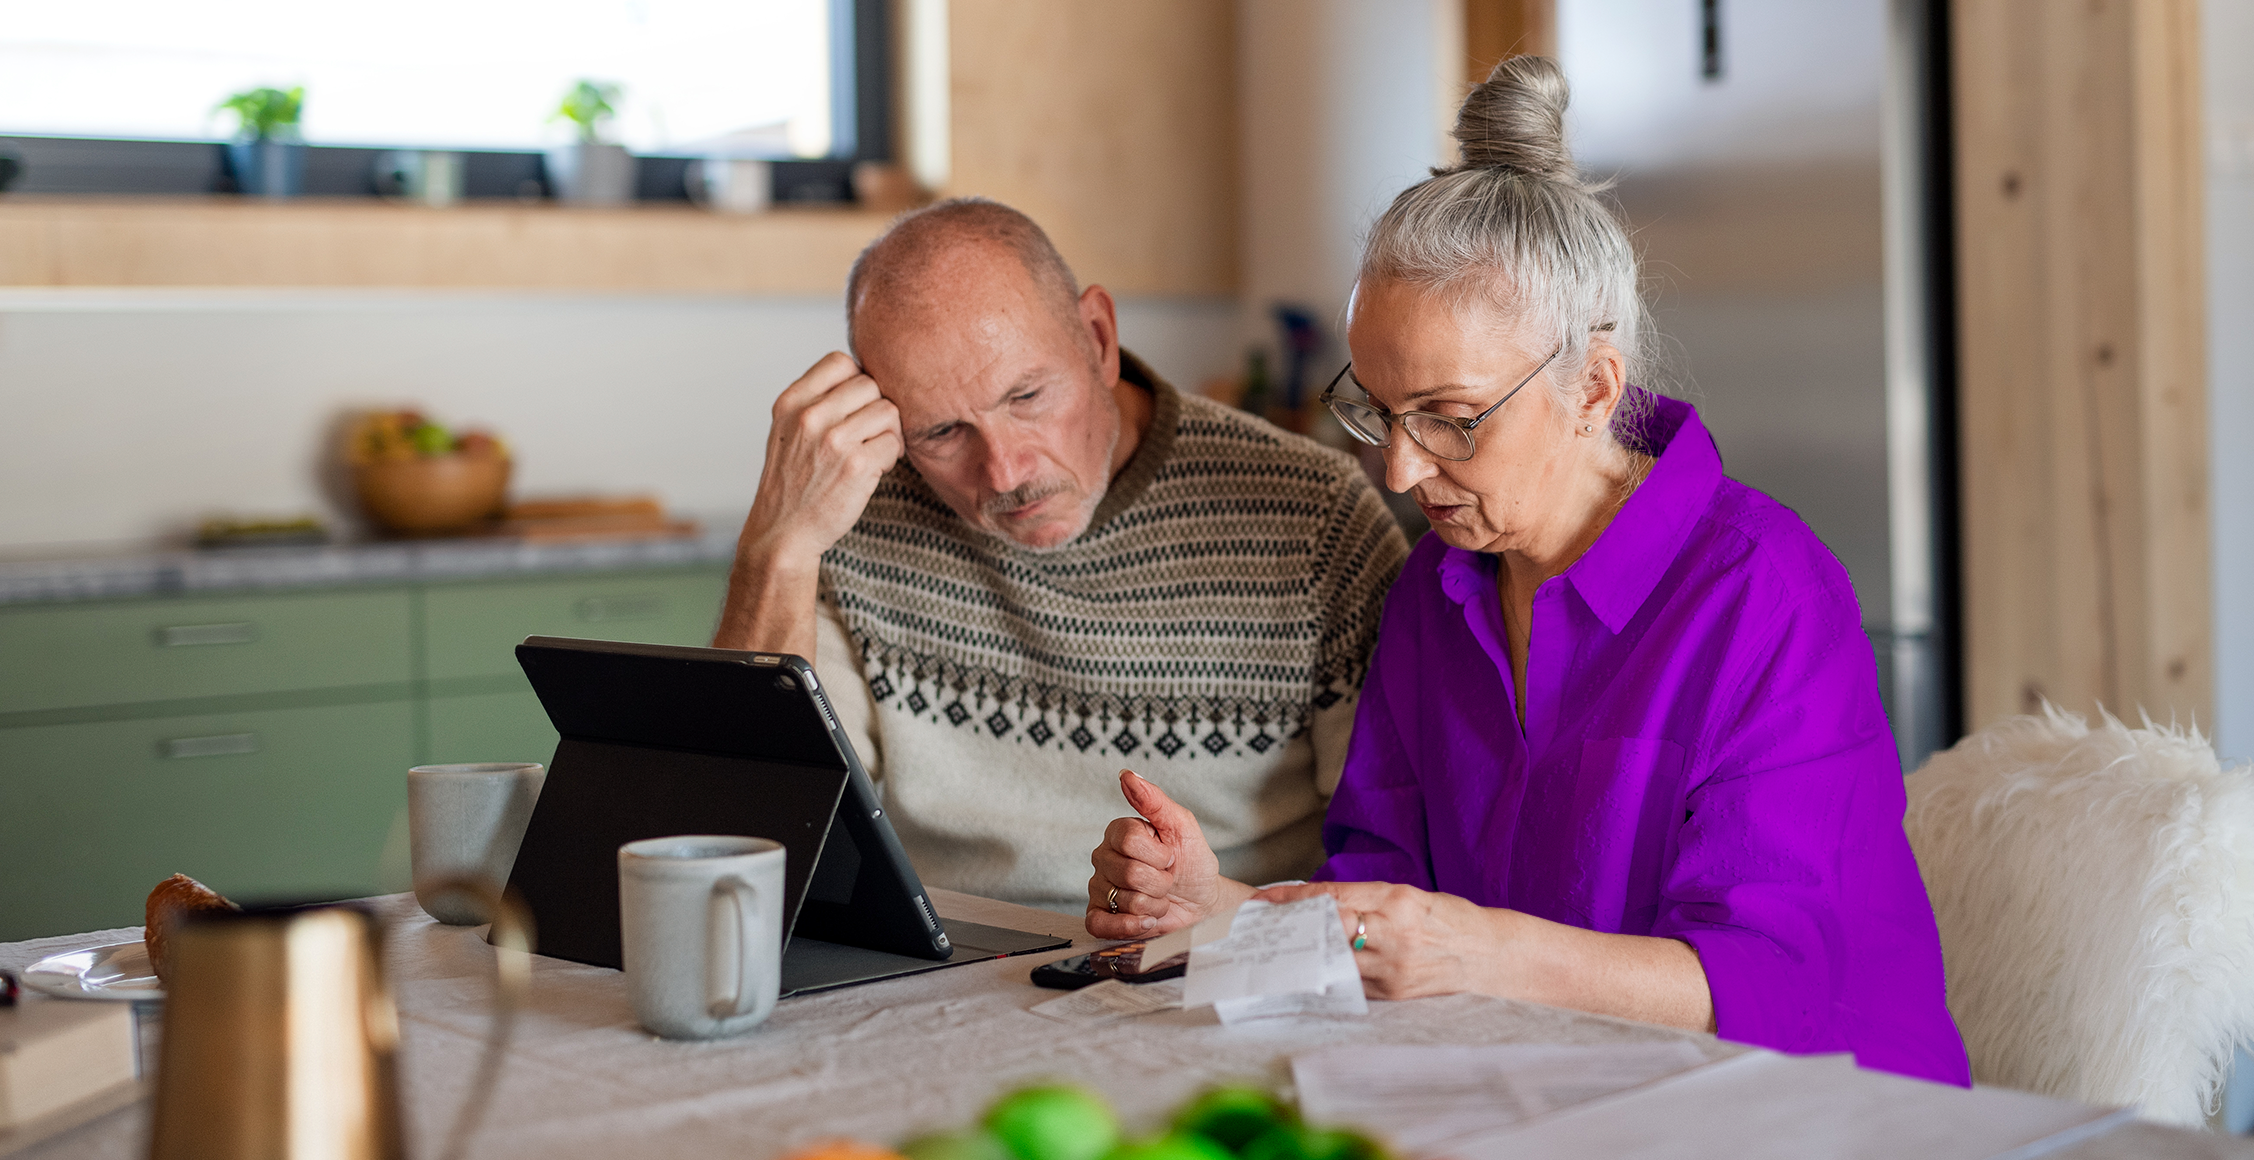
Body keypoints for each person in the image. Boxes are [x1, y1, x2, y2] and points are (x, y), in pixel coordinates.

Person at [1085, 57, 1970, 1085]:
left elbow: (1772, 978)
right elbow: (1384, 907)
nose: (1402, 468)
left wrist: (1482, 952)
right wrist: (1220, 909)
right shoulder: (1437, 585)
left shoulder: (1762, 594)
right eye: (1375, 407)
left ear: (1592, 387)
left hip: (1815, 1111)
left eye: (1452, 419)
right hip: (1545, 1087)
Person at [714, 198, 1407, 911]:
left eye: (1027, 396)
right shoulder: (854, 511)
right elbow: (752, 839)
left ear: (1099, 338)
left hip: (1221, 967)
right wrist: (779, 547)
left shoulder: (1315, 514)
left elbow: (1395, 869)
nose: (1006, 473)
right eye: (943, 432)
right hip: (946, 972)